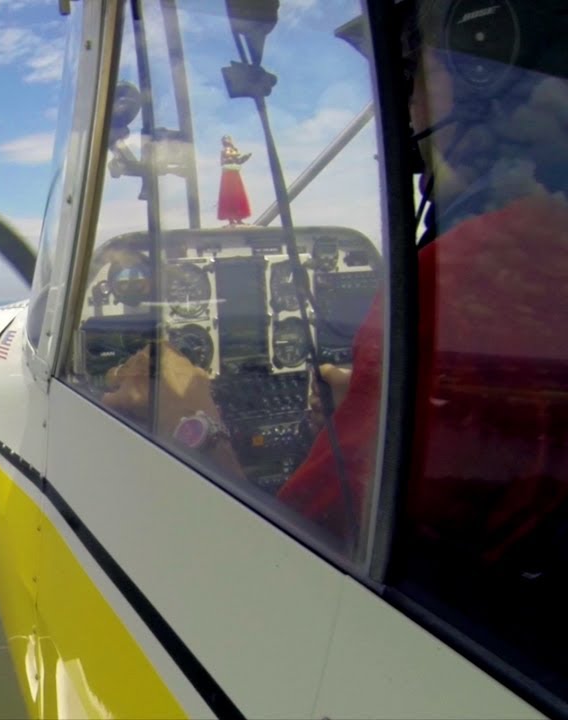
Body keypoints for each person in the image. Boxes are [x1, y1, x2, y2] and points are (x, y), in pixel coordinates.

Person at [102, 0, 568, 570]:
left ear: (484, 66)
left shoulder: (476, 277)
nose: (401, 101)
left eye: (409, 69)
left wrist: (196, 428)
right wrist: (385, 400)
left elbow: (288, 574)